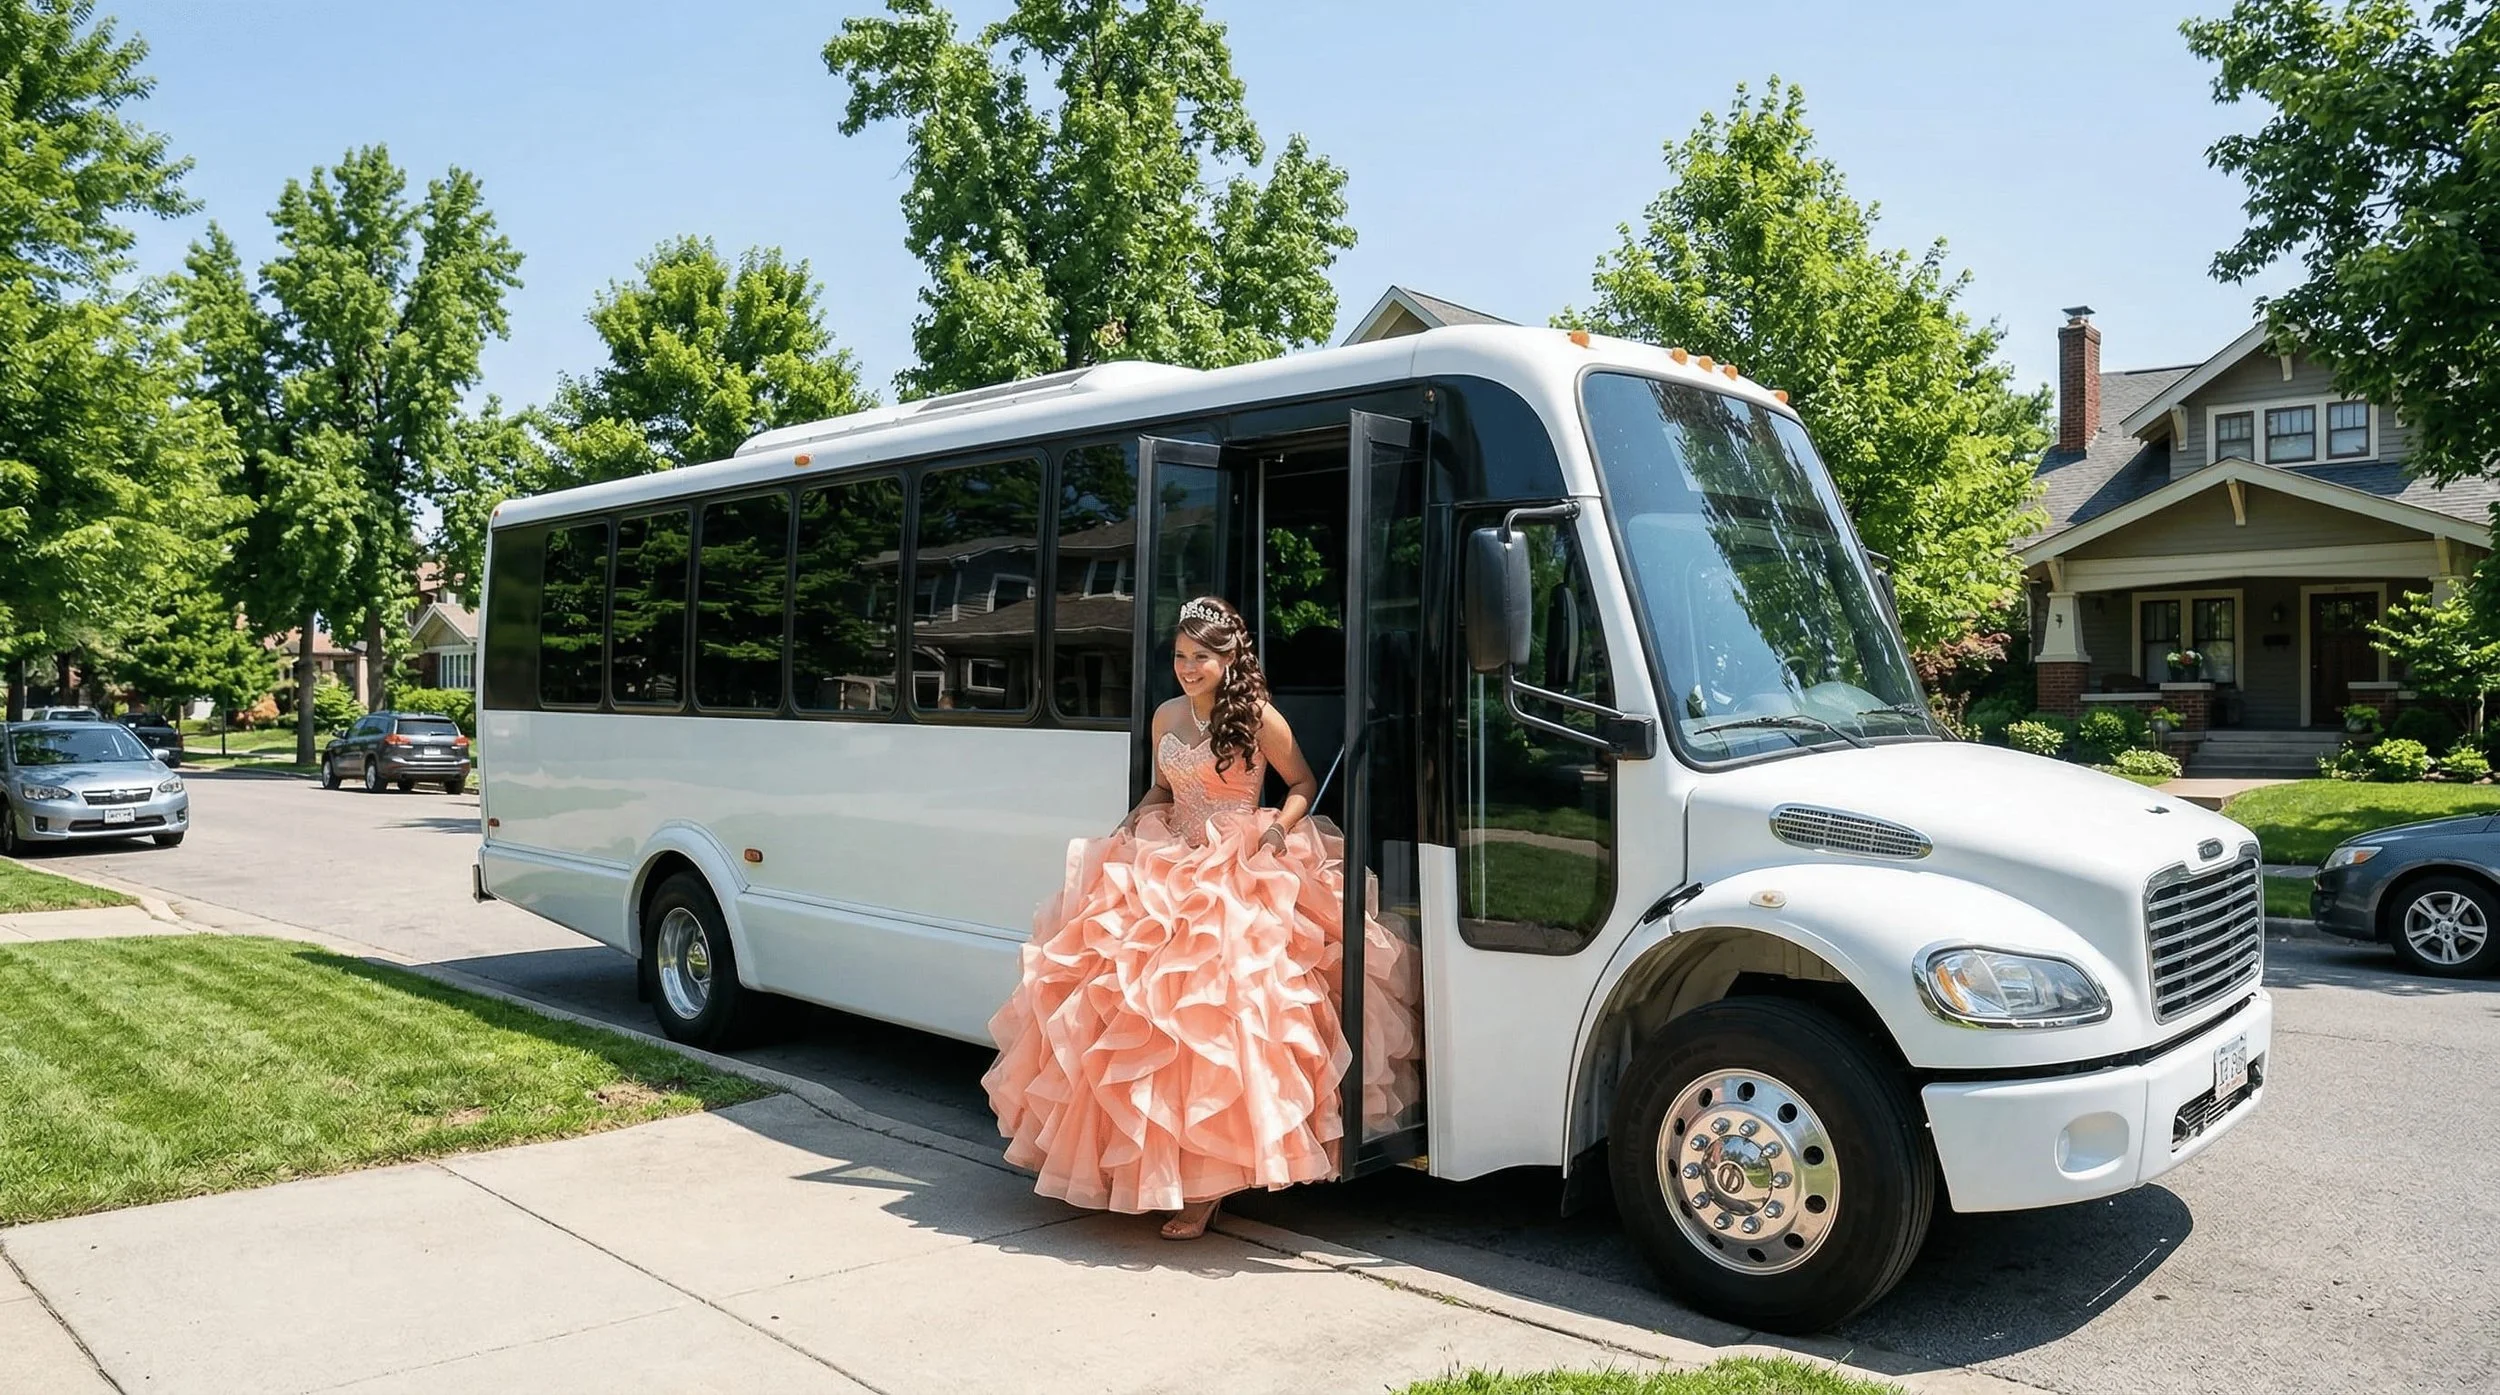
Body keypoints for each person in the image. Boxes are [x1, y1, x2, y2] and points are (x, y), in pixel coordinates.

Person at [982, 594, 1419, 1240]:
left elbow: (1301, 782)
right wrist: (1141, 811)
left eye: (1200, 657)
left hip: (1237, 862)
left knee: (1219, 1025)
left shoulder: (1259, 719)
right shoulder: (1166, 715)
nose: (1187, 667)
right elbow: (1166, 786)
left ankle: (1207, 1189)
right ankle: (1157, 1171)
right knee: (1135, 1014)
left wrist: (1279, 832)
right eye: (1180, 656)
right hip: (1170, 858)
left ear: (1228, 659)